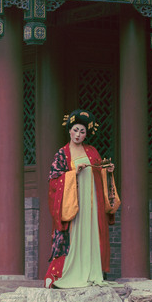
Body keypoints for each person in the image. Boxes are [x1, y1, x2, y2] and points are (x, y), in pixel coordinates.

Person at [44, 108, 117, 288]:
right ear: (69, 130)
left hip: (92, 205)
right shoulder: (62, 154)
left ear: (86, 134)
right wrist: (73, 173)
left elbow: (100, 176)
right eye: (75, 130)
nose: (78, 134)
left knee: (91, 235)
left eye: (82, 131)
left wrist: (108, 171)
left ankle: (91, 272)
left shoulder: (92, 152)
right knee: (74, 236)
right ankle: (70, 272)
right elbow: (54, 180)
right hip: (73, 205)